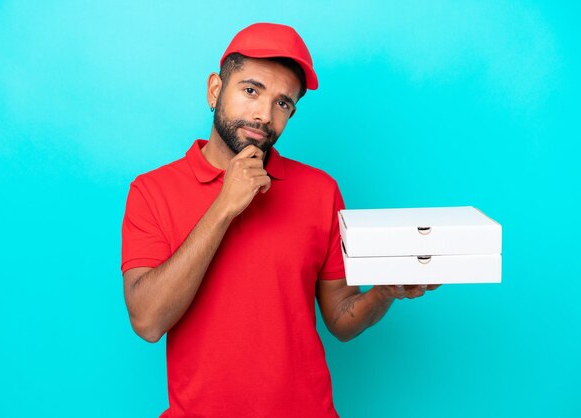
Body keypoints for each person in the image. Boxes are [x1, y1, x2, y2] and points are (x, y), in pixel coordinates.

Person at [120, 22, 439, 418]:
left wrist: (383, 293)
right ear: (215, 90)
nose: (263, 115)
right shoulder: (152, 191)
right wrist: (224, 206)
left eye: (283, 103)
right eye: (251, 90)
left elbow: (340, 318)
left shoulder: (321, 191)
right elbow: (148, 321)